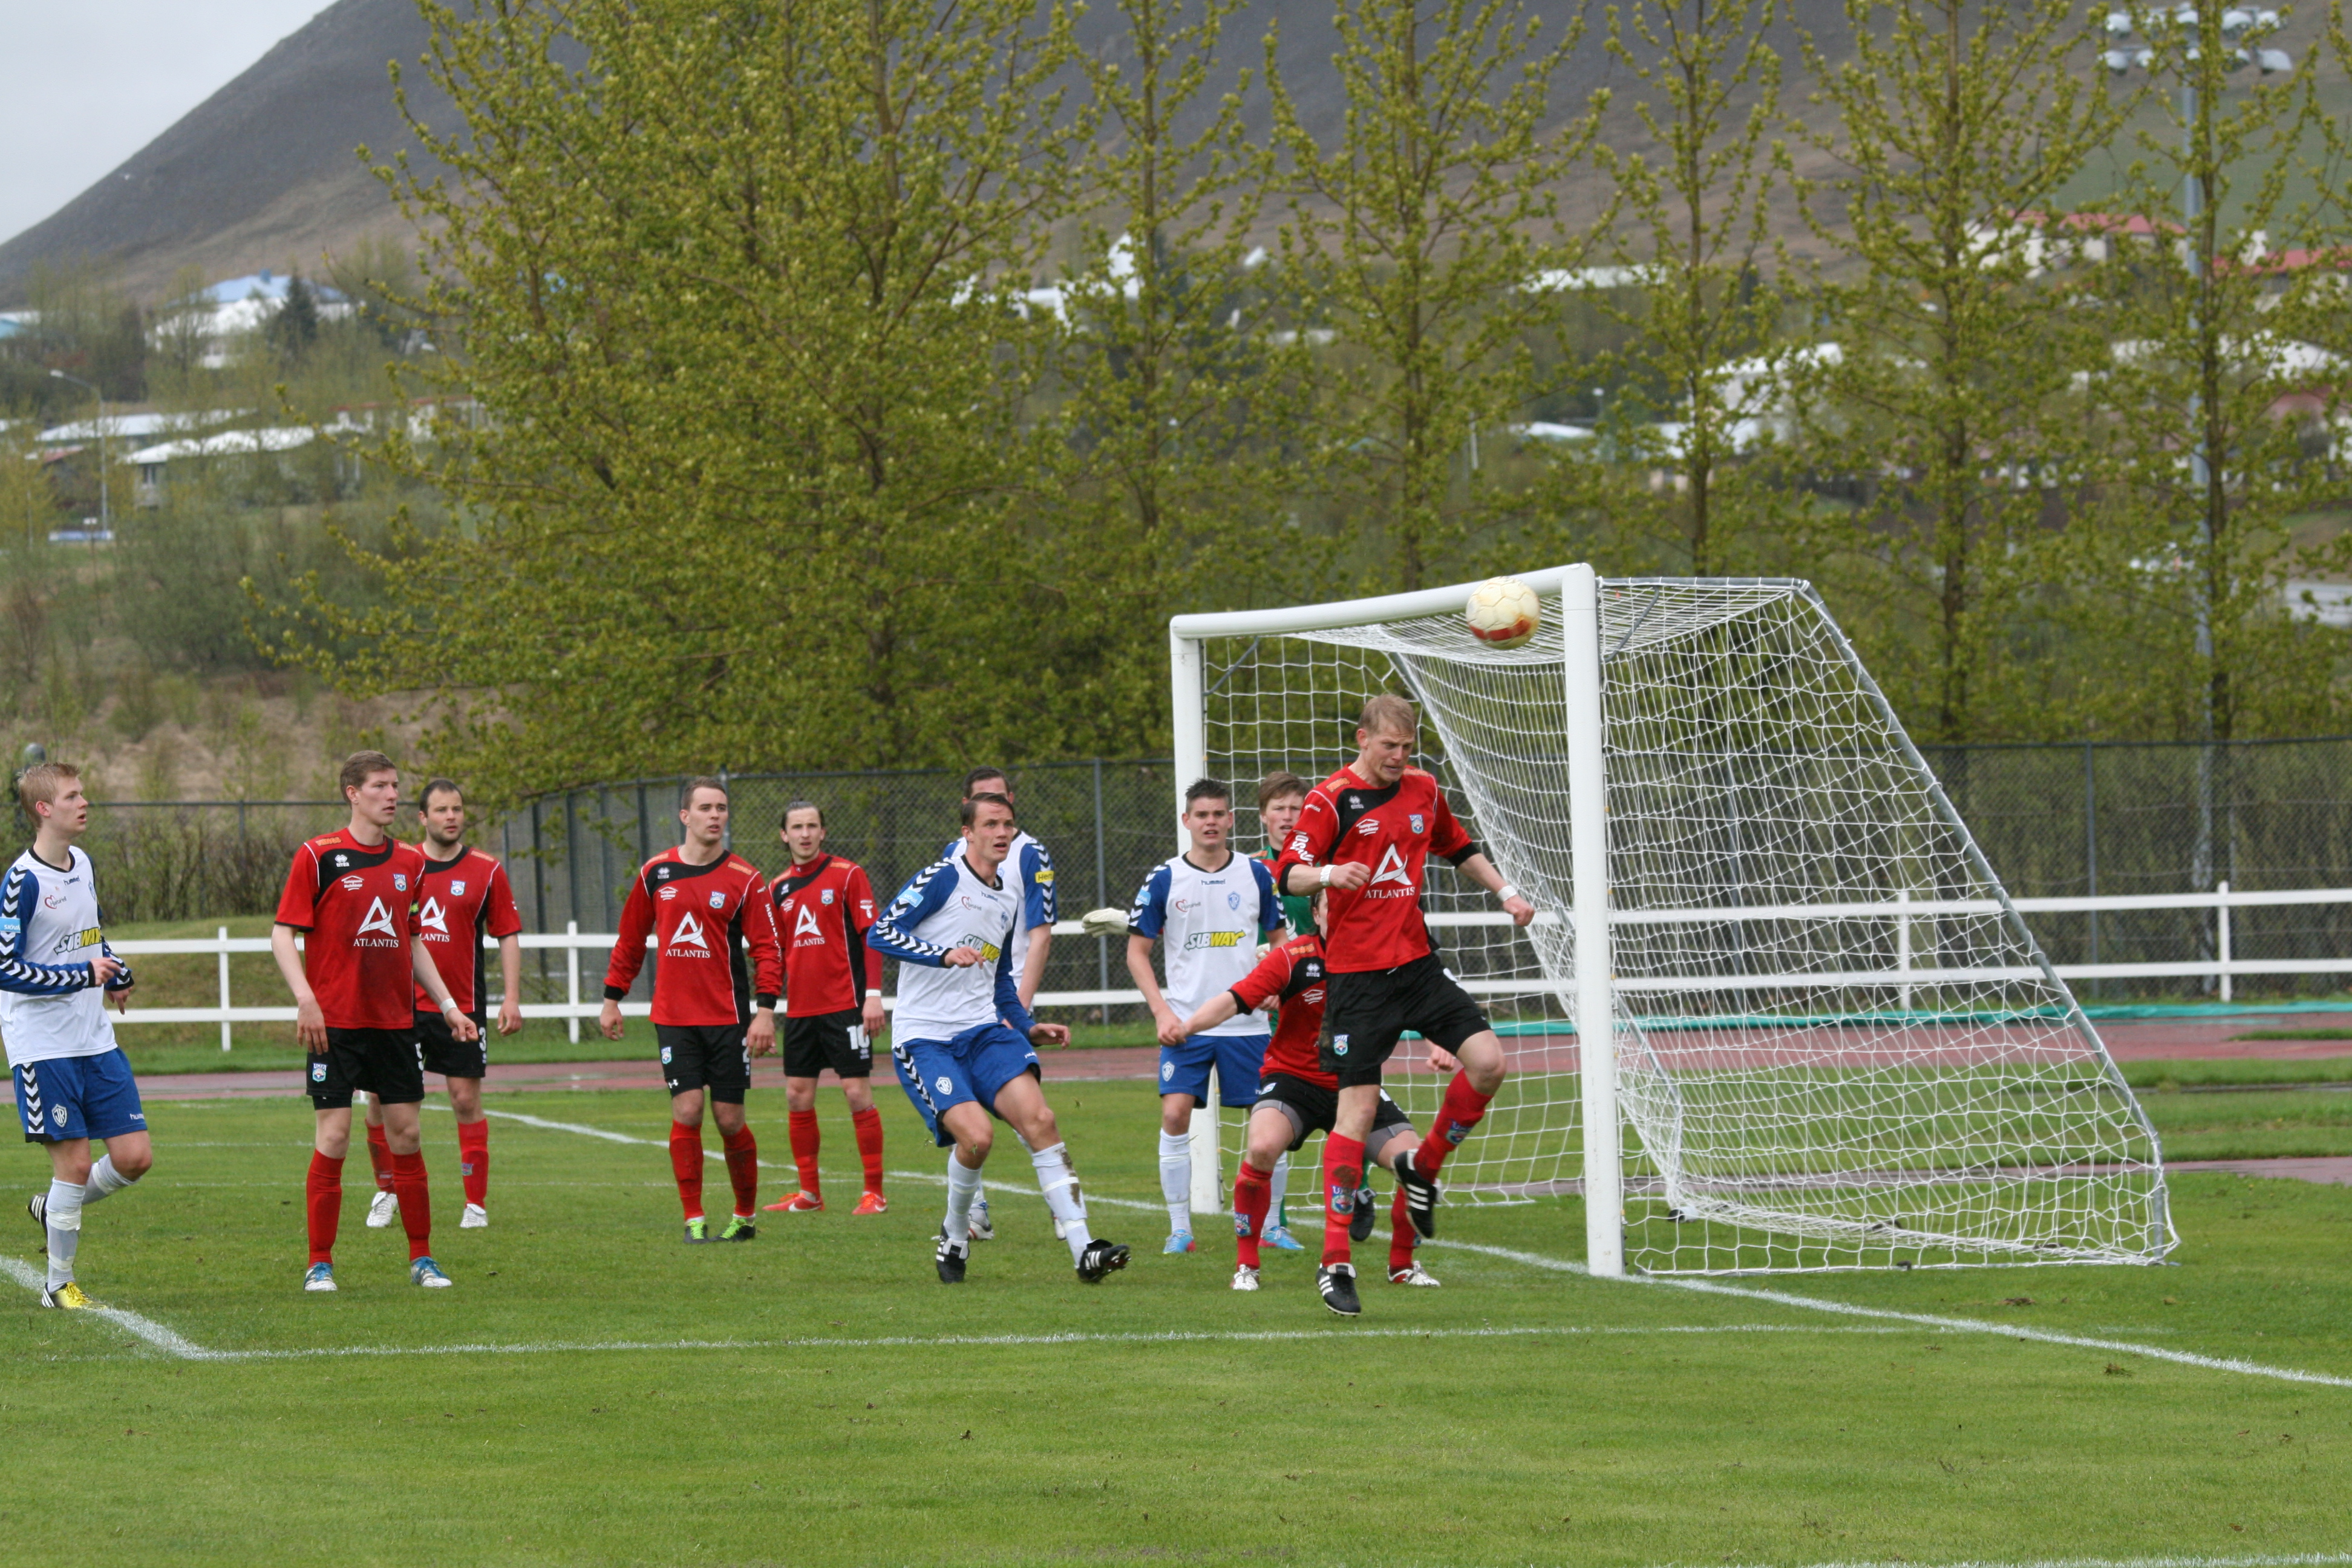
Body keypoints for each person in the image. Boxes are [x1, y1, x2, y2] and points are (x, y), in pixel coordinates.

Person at [1272, 694, 1535, 1316]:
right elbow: (1288, 873)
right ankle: (1335, 1262)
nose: (1398, 757)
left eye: (1407, 748)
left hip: (1416, 966)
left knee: (1489, 1062)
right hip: (1357, 980)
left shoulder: (1423, 789)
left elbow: (1458, 846)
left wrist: (1506, 892)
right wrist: (1330, 876)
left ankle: (1422, 1170)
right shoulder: (1330, 800)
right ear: (1362, 739)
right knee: (1357, 1115)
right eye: (1388, 746)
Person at [871, 791, 1127, 1286]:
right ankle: (954, 1233)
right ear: (967, 832)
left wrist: (1027, 1025)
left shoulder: (1009, 896)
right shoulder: (942, 877)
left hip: (984, 1031)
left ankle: (1084, 1250)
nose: (1002, 833)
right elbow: (881, 932)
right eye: (990, 824)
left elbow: (1000, 980)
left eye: (1008, 824)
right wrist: (942, 954)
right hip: (926, 1038)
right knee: (977, 1138)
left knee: (1041, 1120)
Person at [1169, 887, 1447, 1293]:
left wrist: (1439, 1042)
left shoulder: (1385, 958)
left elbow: (1424, 1005)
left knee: (1417, 1167)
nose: (1341, 914)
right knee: (1262, 1149)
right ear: (1316, 915)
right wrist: (1186, 1027)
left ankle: (1402, 1265)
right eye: (1331, 907)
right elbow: (1234, 999)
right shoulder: (1292, 958)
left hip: (1356, 1084)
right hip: (1293, 1081)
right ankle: (1247, 1265)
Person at [272, 751, 481, 1293]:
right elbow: (282, 933)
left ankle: (423, 1259)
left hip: (394, 1024)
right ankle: (319, 1263)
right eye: (380, 786)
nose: (392, 795)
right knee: (335, 1136)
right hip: (334, 1025)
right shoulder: (319, 855)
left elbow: (413, 940)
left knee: (407, 1135)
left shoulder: (411, 861)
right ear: (353, 793)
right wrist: (305, 999)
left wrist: (449, 1005)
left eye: (395, 786)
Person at [600, 777, 782, 1244]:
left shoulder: (745, 878)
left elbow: (768, 948)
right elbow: (631, 939)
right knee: (688, 1109)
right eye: (705, 807)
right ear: (685, 816)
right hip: (674, 1017)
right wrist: (612, 998)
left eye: (721, 807)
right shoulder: (656, 873)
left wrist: (765, 1012)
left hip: (728, 1019)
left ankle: (744, 1217)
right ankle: (694, 1219)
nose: (715, 815)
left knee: (729, 1119)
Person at [6, 763, 149, 1310]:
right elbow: (5, 968)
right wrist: (81, 976)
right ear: (45, 809)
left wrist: (114, 970)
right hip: (43, 1046)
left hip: (94, 1038)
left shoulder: (82, 862)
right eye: (72, 796)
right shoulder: (21, 882)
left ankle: (53, 1208)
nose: (84, 802)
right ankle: (57, 1286)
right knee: (74, 1165)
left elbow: (90, 934)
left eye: (82, 793)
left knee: (134, 1157)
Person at [1129, 778, 1282, 1254]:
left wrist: (1277, 986)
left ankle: (1271, 1227)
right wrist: (1161, 1012)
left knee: (1270, 1123)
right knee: (1175, 1114)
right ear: (1187, 821)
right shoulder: (1164, 878)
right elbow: (1137, 952)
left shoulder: (1256, 875)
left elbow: (1281, 943)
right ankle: (1180, 1229)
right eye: (1202, 815)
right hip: (1186, 1025)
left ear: (1231, 820)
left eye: (1218, 814)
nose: (1211, 822)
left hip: (1247, 1024)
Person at [361, 777, 521, 1232]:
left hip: (462, 1006)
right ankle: (387, 1190)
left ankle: (475, 1204)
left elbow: (508, 933)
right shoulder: (403, 864)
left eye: (457, 809)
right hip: (401, 1007)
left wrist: (512, 997)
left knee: (465, 1099)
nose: (451, 817)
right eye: (441, 810)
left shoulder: (487, 870)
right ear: (422, 817)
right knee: (381, 1099)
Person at [941, 767, 1056, 1242]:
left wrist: (1018, 1012)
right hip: (959, 1006)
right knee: (962, 1110)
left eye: (1000, 801)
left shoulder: (1030, 852)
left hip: (1004, 1001)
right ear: (967, 812)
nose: (996, 820)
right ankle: (976, 1215)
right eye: (982, 802)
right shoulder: (951, 854)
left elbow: (1040, 933)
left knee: (1026, 1114)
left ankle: (1060, 1204)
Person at [762, 799, 889, 1215]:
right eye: (797, 827)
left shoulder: (848, 875)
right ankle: (810, 1195)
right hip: (800, 1011)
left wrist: (873, 996)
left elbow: (871, 937)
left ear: (823, 832)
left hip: (846, 1006)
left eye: (812, 826)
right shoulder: (778, 888)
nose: (805, 834)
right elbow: (774, 953)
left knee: (856, 1093)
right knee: (797, 1097)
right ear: (784, 835)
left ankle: (874, 1193)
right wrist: (765, 1009)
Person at [1247, 769, 1315, 1248]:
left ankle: (1359, 1190)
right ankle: (1276, 1221)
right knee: (1275, 1109)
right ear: (1263, 816)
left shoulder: (1321, 870)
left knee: (1352, 1092)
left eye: (1297, 808)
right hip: (1267, 1004)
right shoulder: (1250, 871)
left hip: (1320, 1000)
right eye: (1280, 808)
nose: (1289, 817)